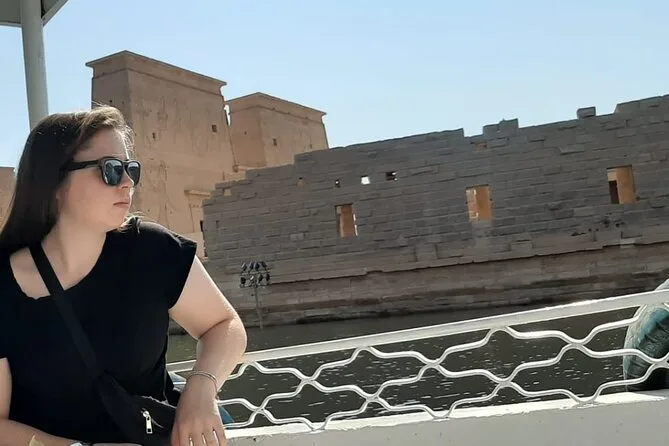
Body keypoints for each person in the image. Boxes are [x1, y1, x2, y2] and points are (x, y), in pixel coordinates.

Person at [0, 106, 247, 445]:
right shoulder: (3, 285)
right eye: (111, 170)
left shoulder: (151, 249)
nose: (128, 182)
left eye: (131, 169)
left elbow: (224, 325)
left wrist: (202, 386)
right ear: (53, 180)